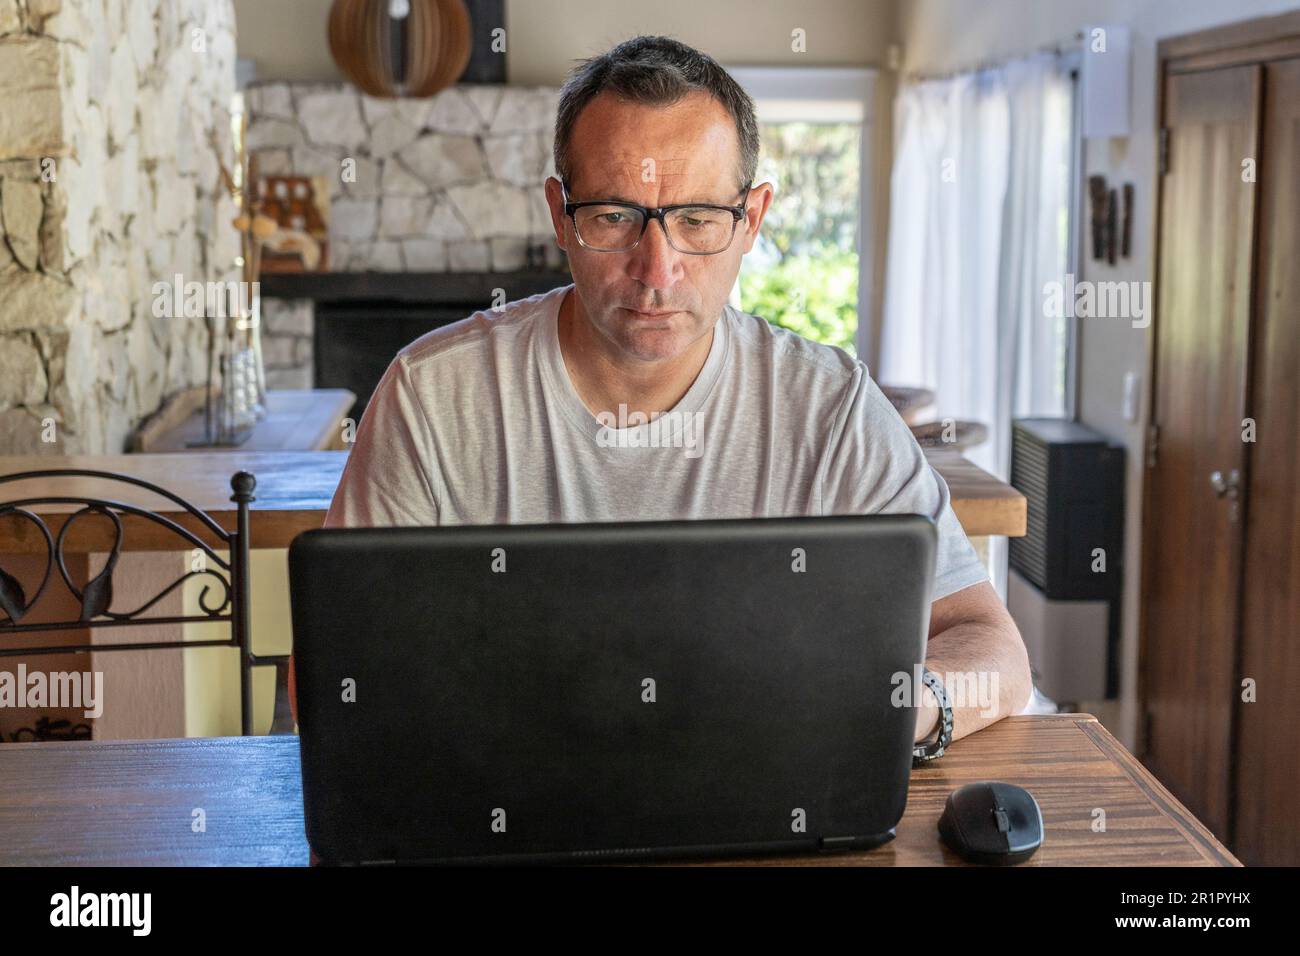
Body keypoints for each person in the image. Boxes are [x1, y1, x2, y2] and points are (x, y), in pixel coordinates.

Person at [302, 35, 1032, 748]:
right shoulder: (432, 395)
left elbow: (991, 647)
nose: (657, 271)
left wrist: (899, 713)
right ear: (561, 214)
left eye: (697, 220)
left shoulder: (830, 407)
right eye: (616, 217)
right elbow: (336, 673)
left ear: (752, 220)